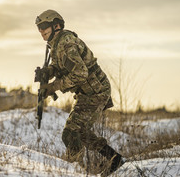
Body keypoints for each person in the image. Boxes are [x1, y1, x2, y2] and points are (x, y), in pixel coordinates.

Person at [35, 9, 125, 176]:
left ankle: (73, 171)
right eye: (38, 28)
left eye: (44, 26)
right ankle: (117, 161)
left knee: (71, 133)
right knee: (81, 133)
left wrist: (54, 87)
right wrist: (49, 72)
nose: (41, 31)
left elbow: (80, 73)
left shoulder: (66, 43)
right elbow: (62, 66)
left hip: (95, 92)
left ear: (56, 26)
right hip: (88, 92)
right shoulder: (56, 44)